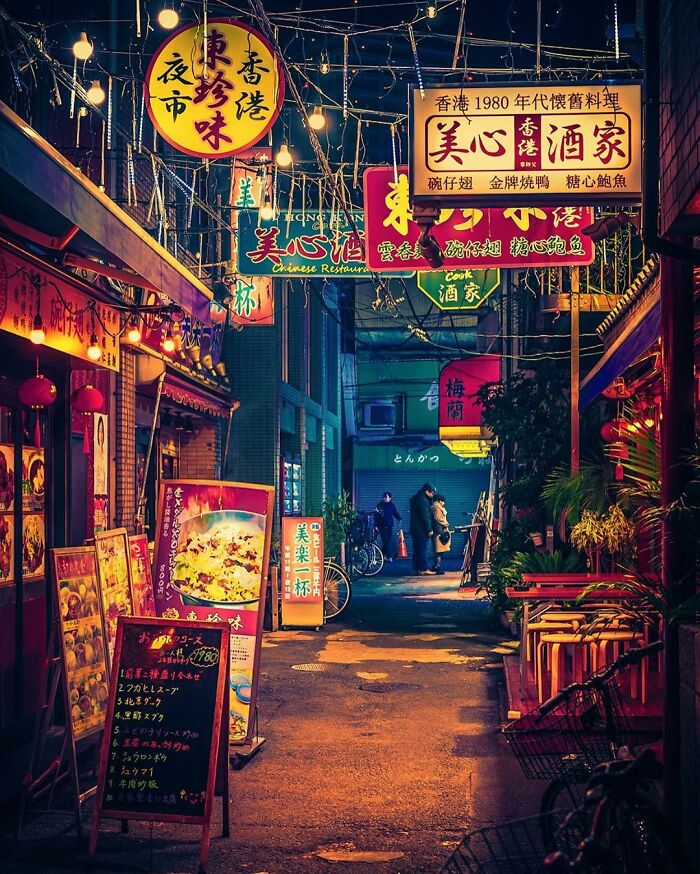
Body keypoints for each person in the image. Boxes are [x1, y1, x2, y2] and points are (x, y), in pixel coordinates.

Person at [408, 482, 435, 575]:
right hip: (422, 530)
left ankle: (417, 569)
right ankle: (424, 569)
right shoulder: (423, 500)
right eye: (432, 492)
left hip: (414, 529)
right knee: (424, 549)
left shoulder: (414, 498)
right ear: (427, 491)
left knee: (416, 550)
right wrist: (429, 529)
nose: (432, 495)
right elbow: (425, 516)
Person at [374, 492, 401, 561]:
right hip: (381, 526)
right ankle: (389, 556)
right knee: (386, 541)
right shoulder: (379, 505)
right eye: (384, 497)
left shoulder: (392, 505)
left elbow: (395, 513)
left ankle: (381, 555)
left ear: (390, 498)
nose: (385, 498)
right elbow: (376, 516)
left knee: (387, 541)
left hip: (390, 526)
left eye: (387, 497)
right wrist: (376, 525)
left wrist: (400, 519)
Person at [430, 494, 450, 574]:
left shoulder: (436, 507)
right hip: (439, 531)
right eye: (442, 501)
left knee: (439, 550)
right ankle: (436, 567)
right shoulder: (436, 508)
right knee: (439, 551)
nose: (444, 503)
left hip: (439, 530)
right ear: (438, 500)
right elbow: (438, 519)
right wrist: (446, 524)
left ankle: (436, 566)